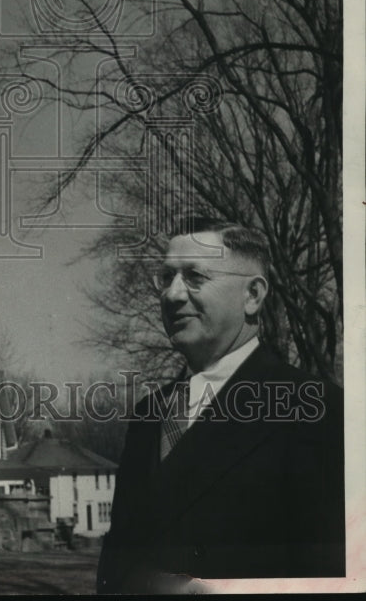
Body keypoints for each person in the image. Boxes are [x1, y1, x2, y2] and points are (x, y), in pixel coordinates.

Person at [97, 218, 345, 593]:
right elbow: (117, 560)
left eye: (195, 276)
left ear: (253, 296)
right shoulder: (149, 413)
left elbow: (332, 573)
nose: (172, 294)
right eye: (166, 277)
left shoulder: (314, 407)